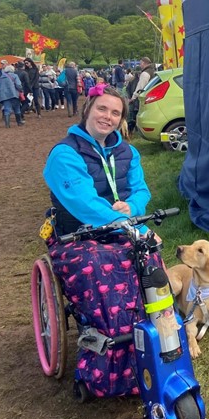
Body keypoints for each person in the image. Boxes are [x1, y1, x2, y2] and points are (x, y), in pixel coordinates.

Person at [42, 83, 154, 398]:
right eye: (102, 108)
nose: (108, 116)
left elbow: (141, 189)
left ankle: (155, 341)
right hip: (77, 234)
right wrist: (126, 224)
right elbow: (84, 204)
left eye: (115, 112)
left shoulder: (128, 152)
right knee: (96, 266)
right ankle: (104, 358)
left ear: (121, 120)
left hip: (121, 227)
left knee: (150, 257)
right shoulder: (64, 154)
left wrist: (132, 207)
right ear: (88, 109)